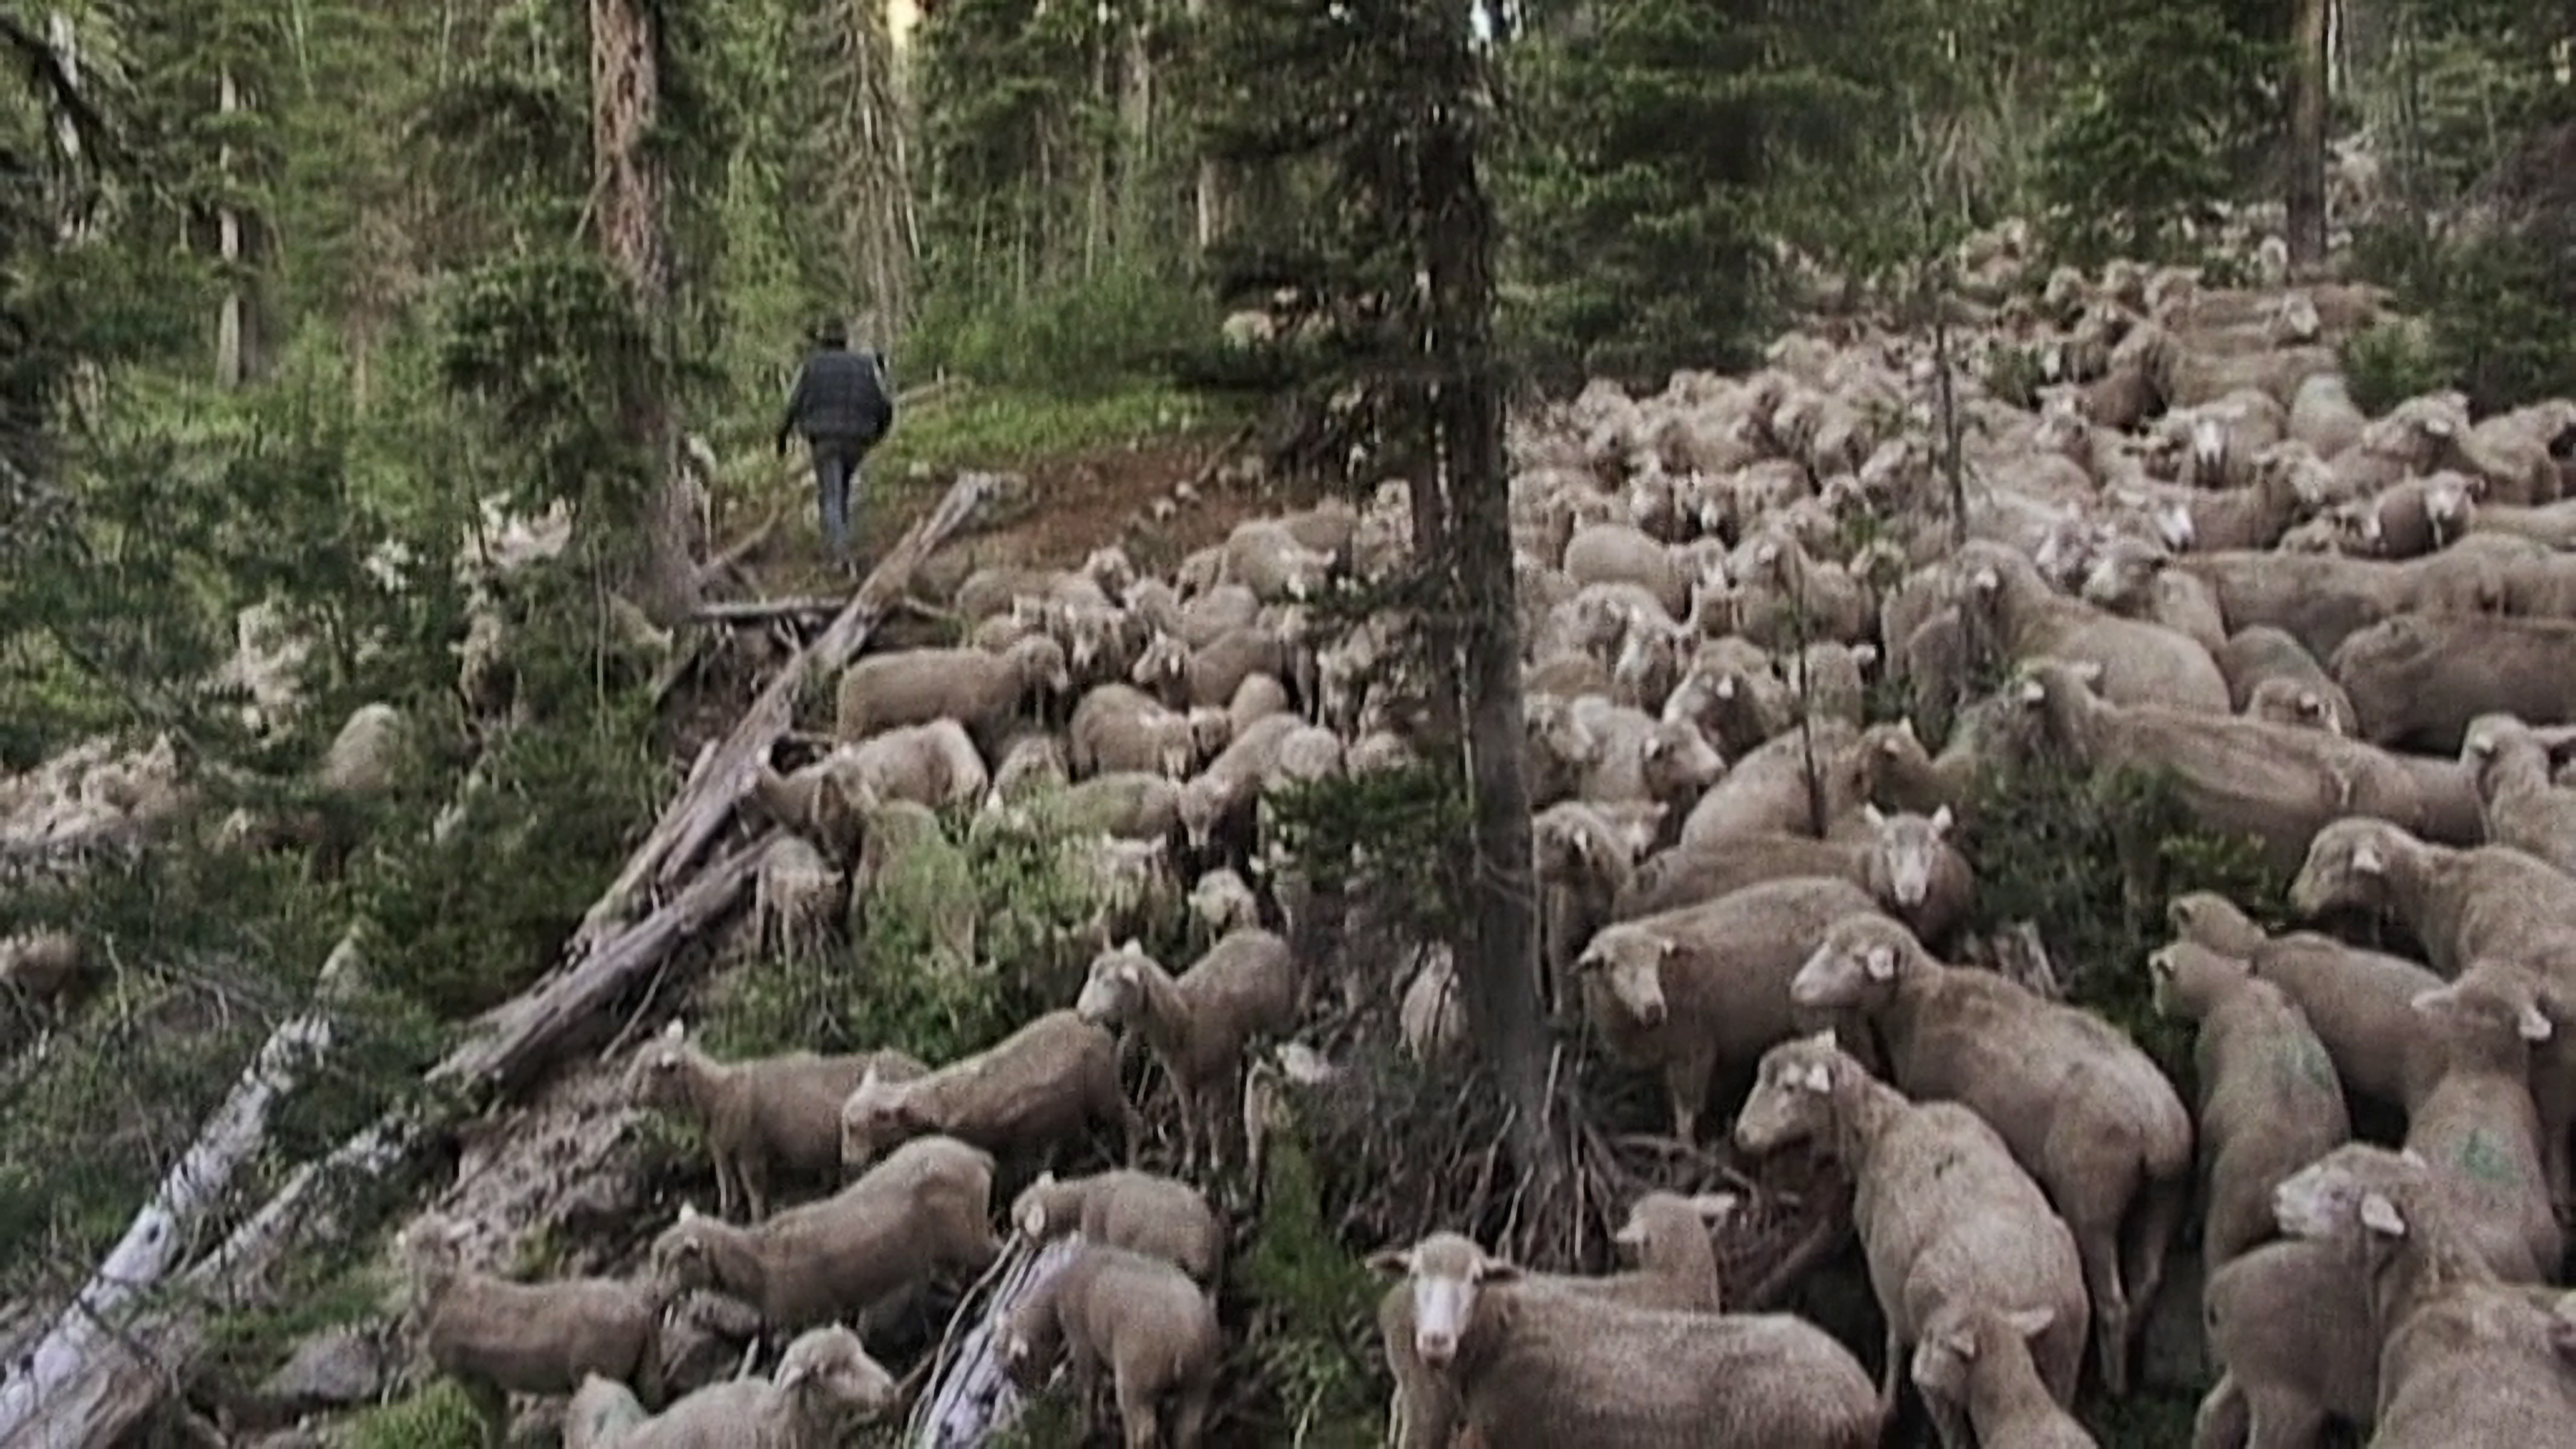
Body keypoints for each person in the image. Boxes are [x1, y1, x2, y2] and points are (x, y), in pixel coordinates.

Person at [774, 317, 894, 572]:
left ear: (823, 341)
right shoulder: (866, 365)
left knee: (830, 495)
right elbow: (885, 404)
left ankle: (839, 554)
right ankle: (845, 546)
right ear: (845, 340)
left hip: (824, 439)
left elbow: (794, 404)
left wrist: (782, 437)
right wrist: (878, 434)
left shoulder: (812, 366)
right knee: (846, 493)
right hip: (858, 440)